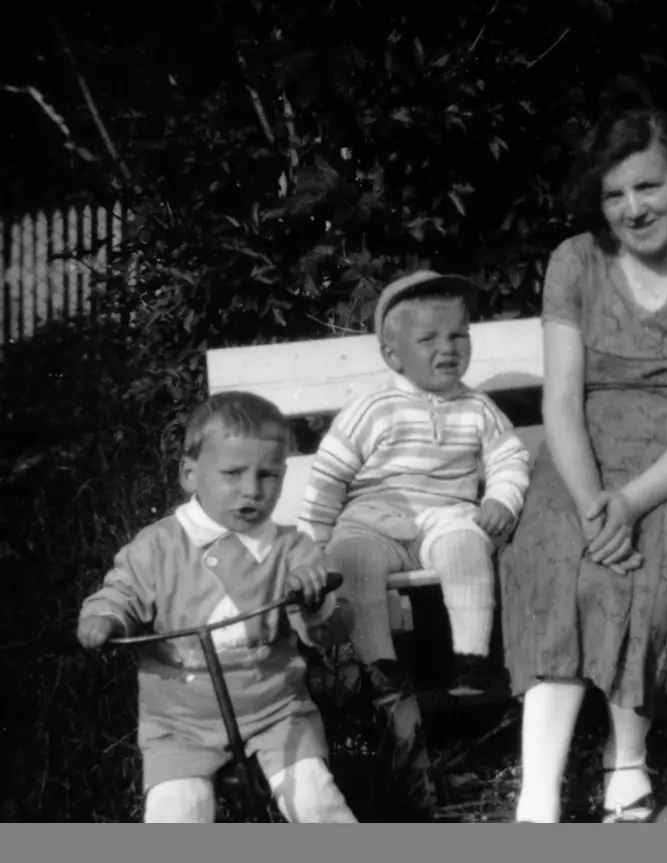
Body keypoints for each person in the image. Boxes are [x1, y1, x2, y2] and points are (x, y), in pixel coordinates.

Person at [499, 89, 667, 823]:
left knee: (655, 557)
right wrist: (591, 503)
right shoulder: (574, 263)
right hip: (582, 456)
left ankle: (626, 763)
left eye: (649, 185)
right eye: (615, 193)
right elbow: (559, 400)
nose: (632, 208)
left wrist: (632, 503)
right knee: (556, 558)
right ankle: (538, 793)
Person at [76, 391, 358, 823]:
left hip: (276, 709)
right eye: (232, 473)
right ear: (190, 473)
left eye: (268, 476)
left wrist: (314, 599)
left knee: (317, 802)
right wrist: (106, 616)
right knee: (177, 812)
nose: (252, 491)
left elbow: (328, 629)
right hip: (180, 720)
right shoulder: (158, 546)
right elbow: (123, 589)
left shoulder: (290, 548)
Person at [296, 271, 531, 739]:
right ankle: (380, 667)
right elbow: (328, 476)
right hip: (372, 522)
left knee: (469, 545)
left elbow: (510, 458)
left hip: (447, 518)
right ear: (392, 354)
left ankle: (471, 660)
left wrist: (502, 497)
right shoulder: (374, 409)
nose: (448, 347)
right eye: (428, 338)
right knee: (354, 562)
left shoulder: (478, 408)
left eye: (459, 335)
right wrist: (312, 546)